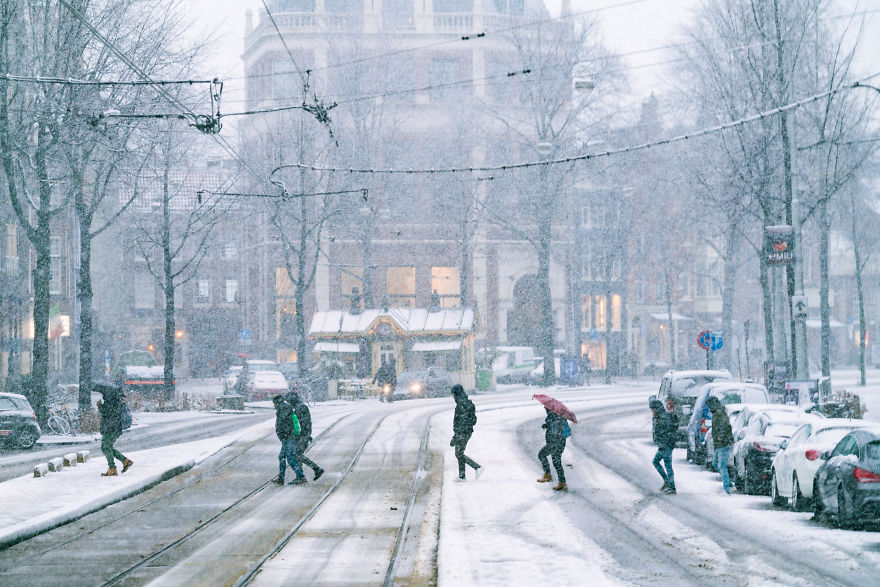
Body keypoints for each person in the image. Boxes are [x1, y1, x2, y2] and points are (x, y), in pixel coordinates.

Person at [96, 383, 133, 477]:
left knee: (105, 447)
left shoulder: (111, 401)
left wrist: (99, 405)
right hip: (115, 428)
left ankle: (112, 468)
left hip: (110, 428)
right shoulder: (117, 401)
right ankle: (125, 461)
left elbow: (106, 412)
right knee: (108, 447)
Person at [288, 391, 324, 482]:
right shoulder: (300, 406)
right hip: (303, 434)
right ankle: (300, 476)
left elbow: (301, 423)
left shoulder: (299, 408)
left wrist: (303, 435)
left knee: (296, 454)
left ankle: (316, 469)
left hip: (302, 435)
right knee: (297, 454)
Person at [450, 384, 481, 480]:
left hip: (463, 433)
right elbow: (471, 420)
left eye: (453, 394)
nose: (452, 396)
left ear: (456, 393)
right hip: (465, 432)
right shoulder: (466, 402)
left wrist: (456, 436)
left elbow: (461, 423)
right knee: (459, 453)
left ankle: (477, 467)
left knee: (459, 453)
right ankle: (462, 476)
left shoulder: (461, 405)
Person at [272, 394, 303, 485]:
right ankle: (281, 479)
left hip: (288, 437)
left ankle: (301, 477)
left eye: (274, 403)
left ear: (277, 402)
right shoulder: (284, 408)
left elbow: (283, 424)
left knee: (289, 458)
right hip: (287, 437)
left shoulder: (283, 409)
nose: (273, 405)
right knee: (282, 457)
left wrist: (283, 434)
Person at [707, 396, 734, 494]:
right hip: (720, 443)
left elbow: (724, 425)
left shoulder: (719, 412)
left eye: (709, 405)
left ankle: (727, 488)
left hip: (723, 443)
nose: (709, 408)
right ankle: (729, 483)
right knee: (715, 464)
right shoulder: (717, 412)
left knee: (721, 465)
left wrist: (721, 436)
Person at [536, 408, 568, 491]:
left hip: (555, 443)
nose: (545, 409)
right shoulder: (558, 416)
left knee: (541, 455)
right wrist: (547, 425)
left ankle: (548, 474)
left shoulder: (554, 416)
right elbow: (555, 427)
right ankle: (562, 482)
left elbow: (556, 429)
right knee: (557, 462)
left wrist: (549, 426)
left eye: (545, 407)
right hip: (560, 443)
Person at [650, 399, 677, 494]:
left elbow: (667, 433)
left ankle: (672, 487)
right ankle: (667, 481)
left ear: (656, 408)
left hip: (666, 445)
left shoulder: (663, 418)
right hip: (663, 445)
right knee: (655, 462)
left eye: (652, 409)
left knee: (668, 466)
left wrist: (663, 444)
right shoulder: (658, 416)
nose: (651, 411)